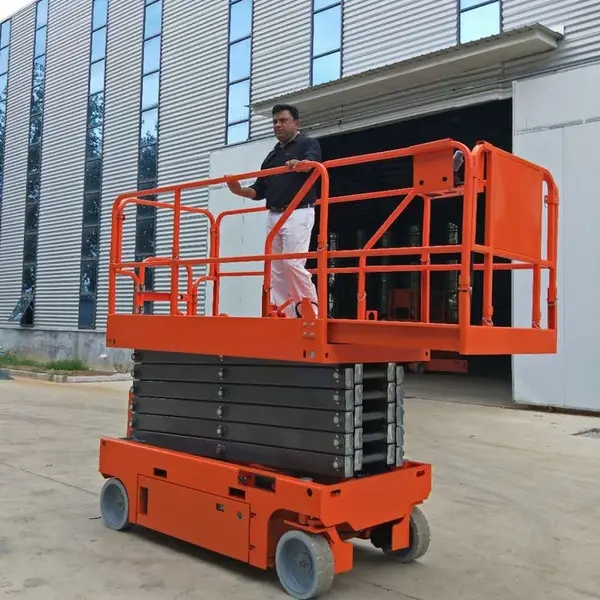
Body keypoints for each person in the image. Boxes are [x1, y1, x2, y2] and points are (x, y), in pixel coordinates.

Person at [226, 104, 321, 318]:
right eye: (275, 121)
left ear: (296, 123)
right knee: (276, 268)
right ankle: (286, 314)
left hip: (298, 212)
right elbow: (258, 190)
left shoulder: (308, 144)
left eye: (283, 120)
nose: (277, 125)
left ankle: (310, 312)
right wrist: (238, 190)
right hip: (274, 215)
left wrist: (302, 164)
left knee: (292, 262)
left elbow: (313, 163)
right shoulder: (272, 156)